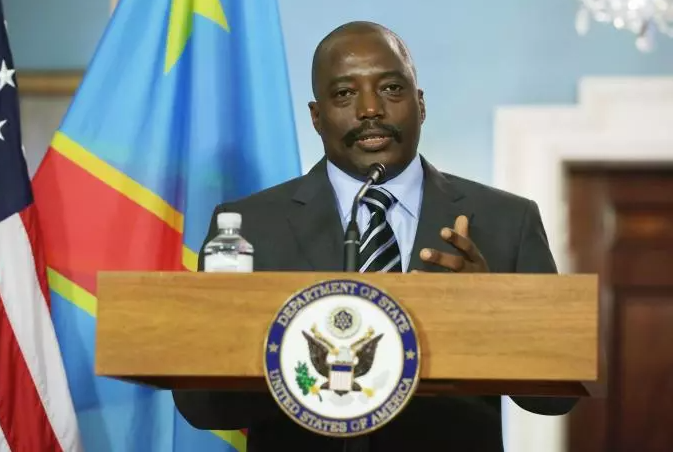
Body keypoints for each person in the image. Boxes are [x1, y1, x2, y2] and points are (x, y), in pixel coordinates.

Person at [173, 21, 577, 451]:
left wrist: (494, 315)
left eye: (391, 89)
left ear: (420, 104)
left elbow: (555, 396)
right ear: (316, 116)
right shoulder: (247, 227)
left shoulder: (506, 220)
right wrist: (278, 350)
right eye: (344, 94)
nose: (370, 109)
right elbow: (204, 407)